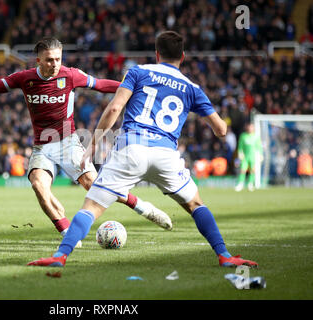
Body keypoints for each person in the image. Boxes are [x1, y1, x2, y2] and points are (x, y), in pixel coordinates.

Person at [28, 31, 258, 268]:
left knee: (92, 207)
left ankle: (60, 257)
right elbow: (221, 130)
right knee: (196, 205)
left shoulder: (139, 72)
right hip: (166, 154)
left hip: (131, 149)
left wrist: (95, 141)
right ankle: (224, 256)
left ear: (157, 54)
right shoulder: (192, 88)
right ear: (183, 56)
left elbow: (115, 108)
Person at [0, 37, 173, 246]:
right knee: (38, 185)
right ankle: (69, 237)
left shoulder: (70, 75)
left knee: (96, 187)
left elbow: (100, 84)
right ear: (38, 60)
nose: (55, 63)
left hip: (68, 143)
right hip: (42, 147)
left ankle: (143, 207)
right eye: (49, 59)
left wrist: (129, 87)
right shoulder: (25, 78)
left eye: (58, 59)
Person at [234, 123, 263, 192]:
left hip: (253, 156)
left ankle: (250, 184)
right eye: (249, 127)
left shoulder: (256, 136)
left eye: (251, 127)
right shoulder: (243, 136)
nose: (250, 128)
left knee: (252, 170)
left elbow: (259, 147)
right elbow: (240, 146)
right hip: (245, 156)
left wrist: (261, 155)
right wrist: (240, 153)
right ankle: (240, 184)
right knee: (243, 170)